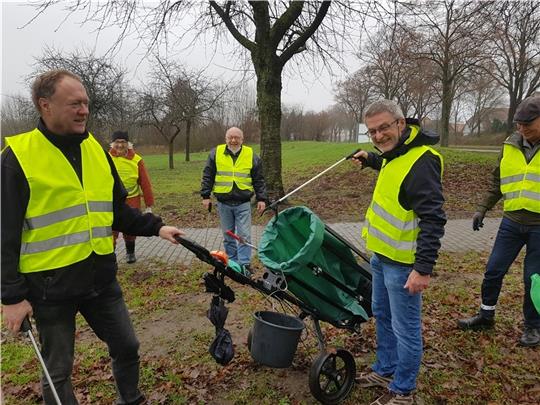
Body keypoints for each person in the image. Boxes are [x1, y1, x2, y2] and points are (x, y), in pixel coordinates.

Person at [1, 69, 184, 405]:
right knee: (57, 371)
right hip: (49, 288)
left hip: (100, 280)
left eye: (85, 103)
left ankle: (130, 399)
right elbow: (4, 234)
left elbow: (117, 211)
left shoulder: (98, 152)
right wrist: (12, 297)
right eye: (74, 104)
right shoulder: (18, 158)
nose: (84, 110)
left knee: (127, 346)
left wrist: (156, 227)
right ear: (45, 106)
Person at [351, 100, 446, 405]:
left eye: (384, 128)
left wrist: (423, 269)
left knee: (406, 329)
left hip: (404, 266)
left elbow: (433, 219)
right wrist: (370, 160)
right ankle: (385, 368)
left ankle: (403, 390)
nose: (378, 136)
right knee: (382, 314)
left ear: (401, 124)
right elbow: (396, 174)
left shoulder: (423, 160)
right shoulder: (395, 154)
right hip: (380, 257)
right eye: (372, 132)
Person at [457, 96, 540, 347]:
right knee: (493, 270)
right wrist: (482, 209)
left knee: (534, 278)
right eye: (519, 124)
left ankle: (533, 327)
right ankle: (486, 315)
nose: (522, 129)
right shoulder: (510, 145)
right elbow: (497, 182)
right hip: (511, 222)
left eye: (528, 124)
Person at [200, 127, 267, 272]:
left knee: (244, 235)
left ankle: (244, 264)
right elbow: (208, 175)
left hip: (243, 203)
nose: (233, 140)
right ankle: (233, 263)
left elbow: (259, 179)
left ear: (242, 139)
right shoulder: (216, 153)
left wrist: (262, 198)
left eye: (237, 137)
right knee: (228, 235)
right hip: (223, 203)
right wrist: (205, 196)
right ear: (226, 139)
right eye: (230, 137)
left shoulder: (250, 155)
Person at [109, 130, 155, 264]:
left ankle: (130, 252)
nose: (120, 145)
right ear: (113, 144)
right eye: (117, 142)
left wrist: (149, 205)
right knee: (111, 229)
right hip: (111, 200)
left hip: (131, 199)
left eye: (123, 142)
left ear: (128, 144)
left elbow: (145, 183)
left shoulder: (137, 160)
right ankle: (110, 256)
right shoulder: (105, 157)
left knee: (130, 227)